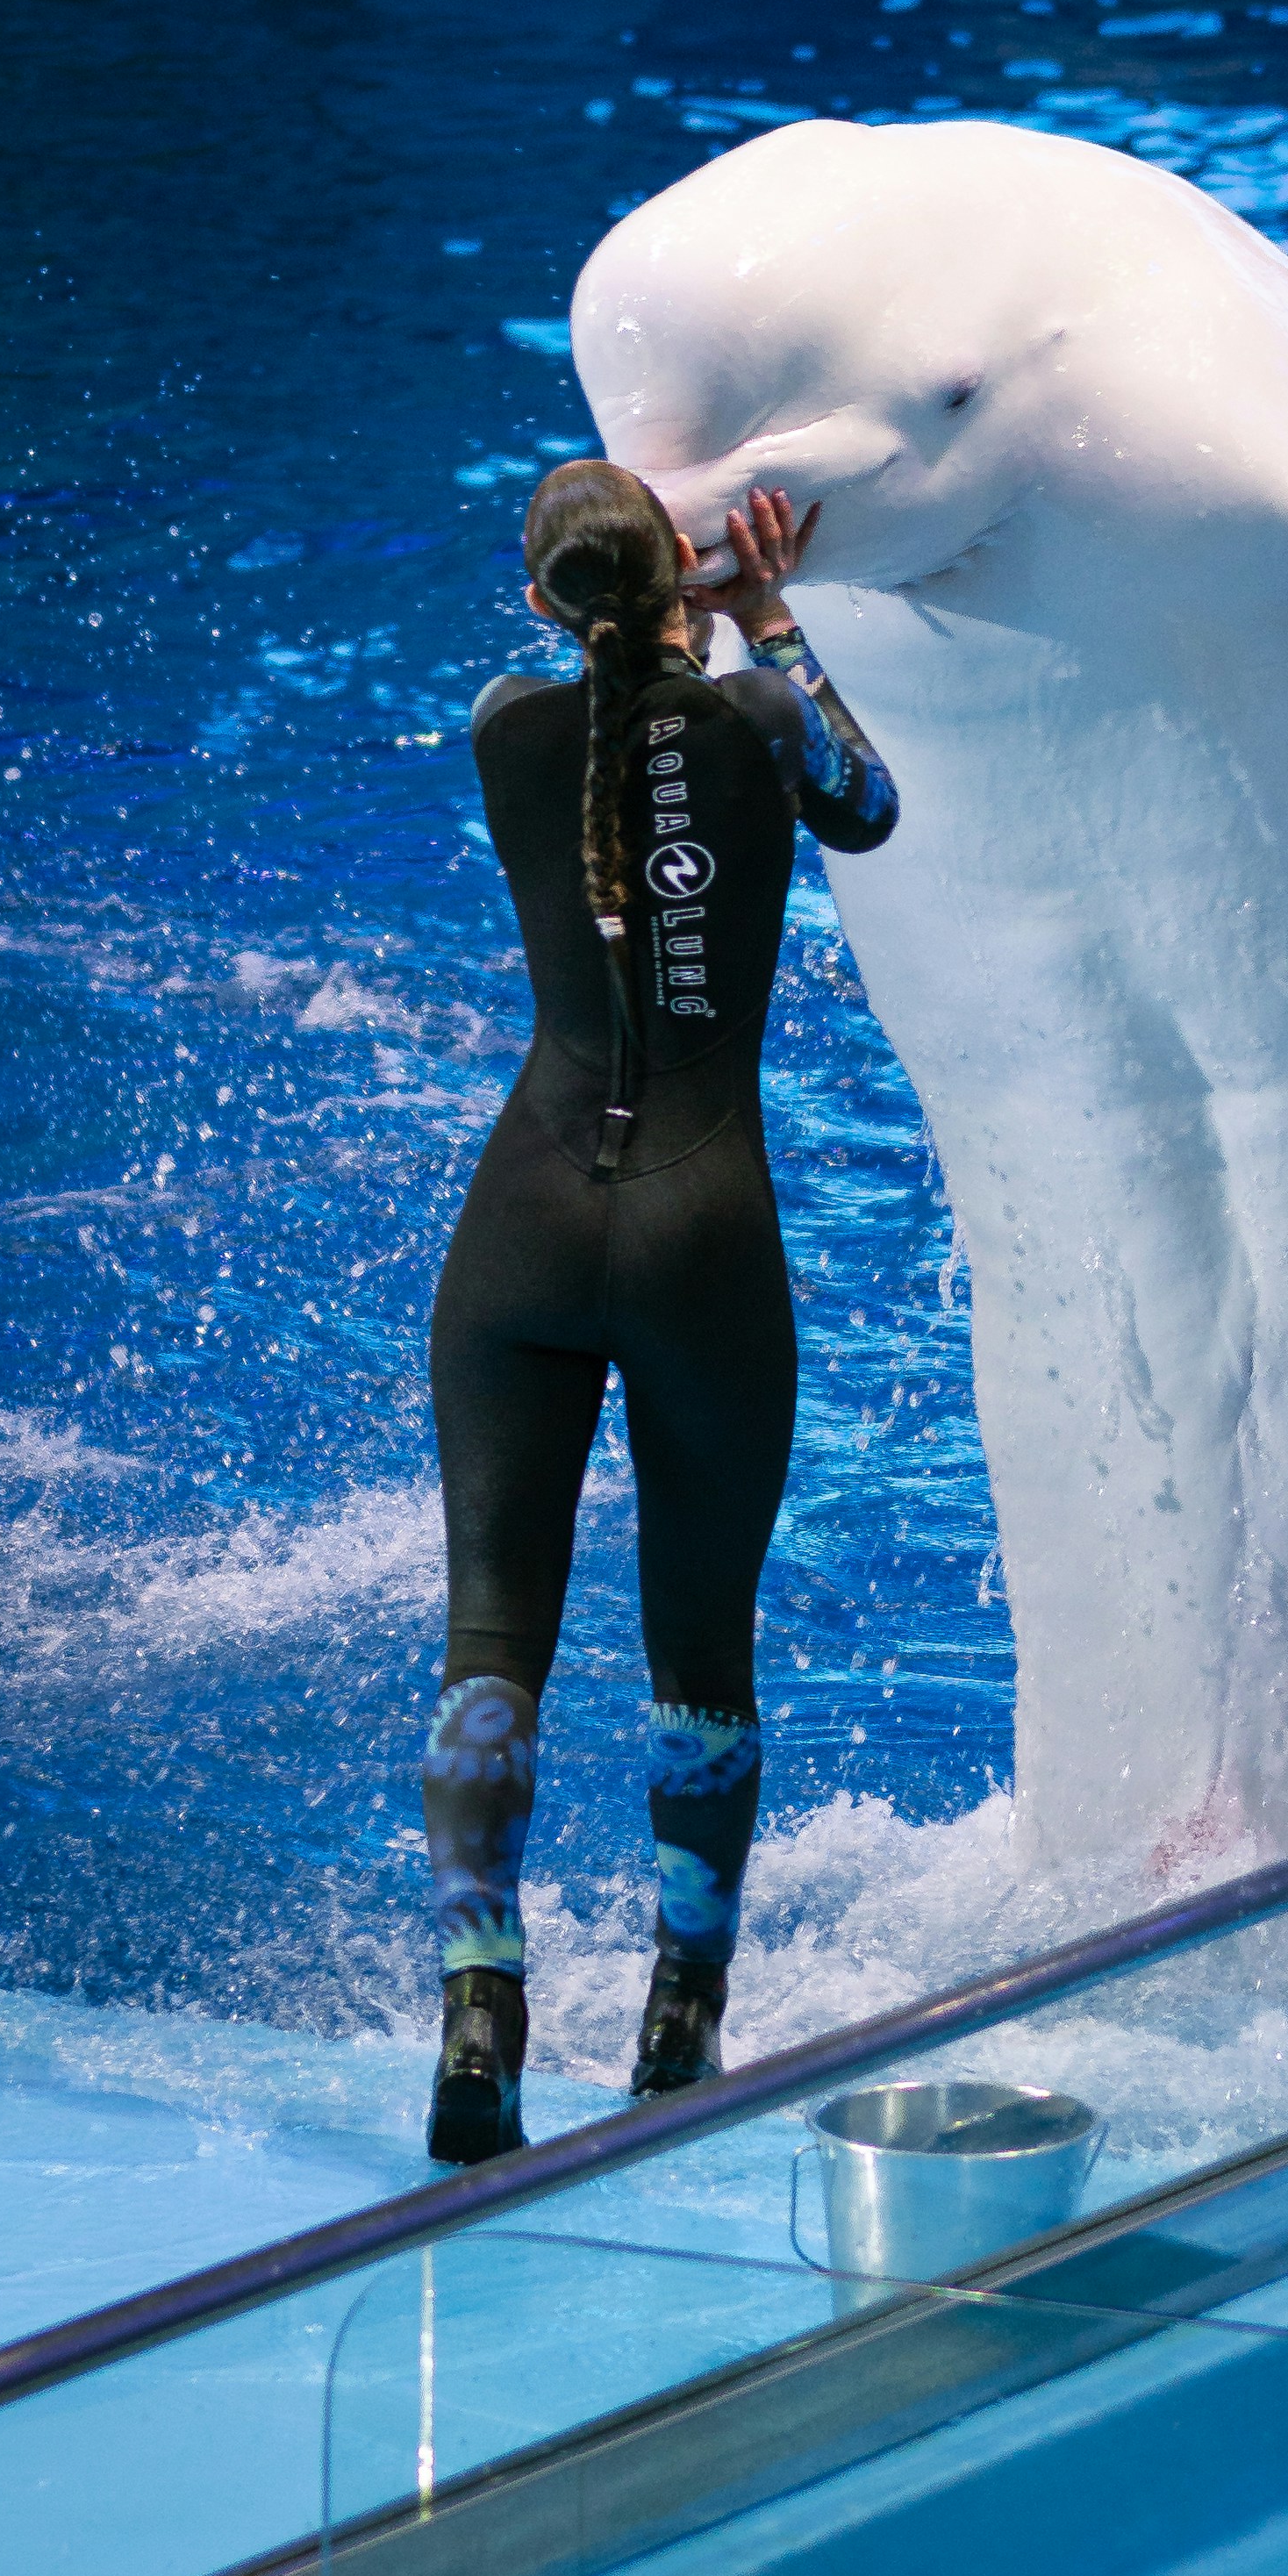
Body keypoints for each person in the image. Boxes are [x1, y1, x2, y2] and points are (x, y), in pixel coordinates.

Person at [420, 460, 899, 2163]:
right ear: (690, 592)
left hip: (524, 1235)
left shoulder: (503, 732)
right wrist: (765, 613)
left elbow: (591, 679)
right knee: (697, 1657)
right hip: (703, 1234)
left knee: (495, 1642)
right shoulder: (766, 718)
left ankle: (481, 2006)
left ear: (545, 604)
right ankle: (677, 2027)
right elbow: (870, 805)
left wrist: (654, 605)